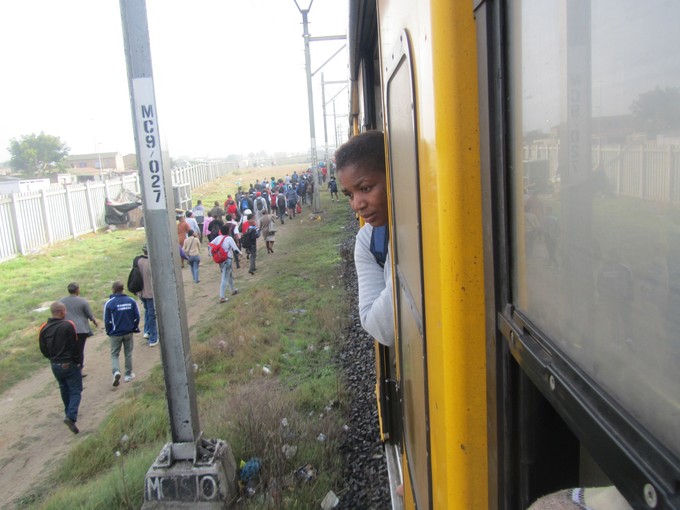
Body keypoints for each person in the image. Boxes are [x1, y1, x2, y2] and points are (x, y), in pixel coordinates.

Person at [335, 130, 395, 346]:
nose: (357, 204)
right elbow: (379, 326)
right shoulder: (368, 240)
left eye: (366, 188)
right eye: (350, 195)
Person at [39, 301, 83, 434]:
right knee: (76, 390)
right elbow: (74, 346)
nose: (66, 313)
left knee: (64, 388)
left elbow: (43, 348)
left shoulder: (44, 327)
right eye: (65, 311)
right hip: (68, 363)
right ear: (61, 312)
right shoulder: (68, 325)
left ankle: (68, 411)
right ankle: (71, 416)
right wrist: (77, 362)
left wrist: (52, 358)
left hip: (54, 364)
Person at [104, 281, 141, 386]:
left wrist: (109, 331)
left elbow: (106, 320)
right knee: (128, 353)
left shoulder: (109, 303)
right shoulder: (131, 301)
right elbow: (137, 316)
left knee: (114, 354)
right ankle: (128, 375)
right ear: (123, 289)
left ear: (113, 289)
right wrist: (134, 327)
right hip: (128, 332)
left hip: (115, 333)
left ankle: (116, 371)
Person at [60, 282, 98, 373]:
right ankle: (78, 369)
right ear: (77, 290)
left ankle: (69, 368)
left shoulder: (61, 301)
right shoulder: (83, 301)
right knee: (79, 350)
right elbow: (89, 314)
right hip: (81, 330)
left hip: (66, 329)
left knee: (69, 349)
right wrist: (94, 321)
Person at [135, 246, 158, 347]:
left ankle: (147, 331)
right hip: (150, 293)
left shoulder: (138, 261)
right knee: (152, 314)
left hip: (140, 292)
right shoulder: (151, 263)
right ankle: (153, 338)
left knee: (147, 311)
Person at [214, 224, 241, 303]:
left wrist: (213, 254)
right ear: (228, 231)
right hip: (227, 259)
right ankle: (222, 297)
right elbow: (235, 249)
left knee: (229, 274)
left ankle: (233, 289)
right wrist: (240, 253)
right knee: (225, 277)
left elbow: (210, 245)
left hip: (221, 259)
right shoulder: (229, 238)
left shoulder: (218, 238)